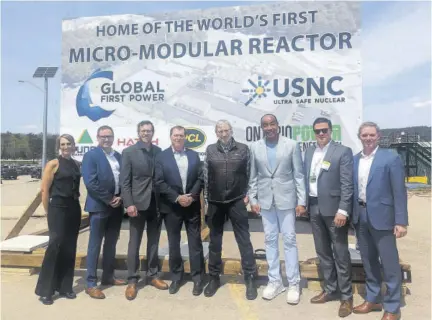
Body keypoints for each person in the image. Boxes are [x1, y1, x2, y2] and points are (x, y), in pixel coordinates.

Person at [352, 122, 408, 320]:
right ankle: (373, 299)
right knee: (368, 261)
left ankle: (393, 307)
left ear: (378, 136)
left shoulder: (390, 157)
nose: (368, 138)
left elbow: (399, 192)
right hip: (361, 216)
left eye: (371, 135)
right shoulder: (354, 160)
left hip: (384, 217)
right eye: (364, 135)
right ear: (359, 137)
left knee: (389, 262)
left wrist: (401, 221)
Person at [248, 114, 306, 304]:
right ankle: (275, 281)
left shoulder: (291, 145)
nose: (269, 127)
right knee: (270, 240)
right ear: (261, 128)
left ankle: (293, 283)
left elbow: (298, 175)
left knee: (289, 240)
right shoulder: (255, 147)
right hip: (265, 201)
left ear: (278, 126)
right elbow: (253, 176)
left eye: (272, 123)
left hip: (286, 199)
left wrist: (301, 201)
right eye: (265, 125)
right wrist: (253, 198)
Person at [303, 117, 354, 318]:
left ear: (331, 131)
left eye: (324, 130)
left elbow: (347, 184)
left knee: (340, 253)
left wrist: (343, 210)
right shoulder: (309, 152)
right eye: (317, 131)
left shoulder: (342, 152)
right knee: (322, 251)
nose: (321, 134)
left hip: (335, 210)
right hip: (314, 207)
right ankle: (331, 290)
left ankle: (347, 297)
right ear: (313, 133)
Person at [203, 119, 257, 300]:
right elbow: (206, 175)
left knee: (244, 240)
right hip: (216, 201)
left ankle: (250, 277)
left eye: (226, 130)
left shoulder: (243, 149)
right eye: (220, 131)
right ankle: (214, 277)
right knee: (215, 242)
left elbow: (250, 173)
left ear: (231, 131)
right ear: (216, 132)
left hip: (236, 200)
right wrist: (206, 200)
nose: (224, 134)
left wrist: (248, 193)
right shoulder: (210, 150)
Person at [120, 120, 168, 300]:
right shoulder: (129, 152)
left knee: (154, 242)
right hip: (137, 205)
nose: (146, 133)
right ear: (138, 132)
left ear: (153, 133)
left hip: (155, 204)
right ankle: (132, 280)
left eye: (149, 130)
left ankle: (153, 275)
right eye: (143, 131)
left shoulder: (159, 152)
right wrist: (129, 203)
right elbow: (124, 181)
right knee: (134, 243)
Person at [155, 126, 205, 295]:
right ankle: (177, 276)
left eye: (181, 135)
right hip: (172, 207)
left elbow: (200, 178)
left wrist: (192, 196)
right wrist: (177, 197)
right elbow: (160, 182)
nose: (178, 138)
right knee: (174, 243)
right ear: (170, 137)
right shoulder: (161, 157)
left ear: (185, 138)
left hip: (192, 205)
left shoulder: (193, 155)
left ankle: (198, 278)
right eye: (175, 135)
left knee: (195, 243)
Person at [35, 134, 82, 305]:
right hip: (57, 209)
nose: (66, 146)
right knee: (55, 246)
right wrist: (49, 212)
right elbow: (44, 191)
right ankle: (46, 291)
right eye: (63, 144)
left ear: (74, 145)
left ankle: (65, 287)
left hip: (73, 208)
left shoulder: (77, 164)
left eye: (69, 143)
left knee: (70, 248)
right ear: (58, 146)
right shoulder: (53, 164)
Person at [82, 125, 127, 299]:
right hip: (100, 206)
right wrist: (109, 199)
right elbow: (91, 183)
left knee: (111, 243)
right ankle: (91, 283)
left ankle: (108, 276)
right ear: (97, 137)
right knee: (95, 245)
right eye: (103, 136)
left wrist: (120, 197)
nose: (106, 139)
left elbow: (124, 179)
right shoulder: (91, 156)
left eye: (109, 136)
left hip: (117, 206)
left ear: (113, 137)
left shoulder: (118, 156)